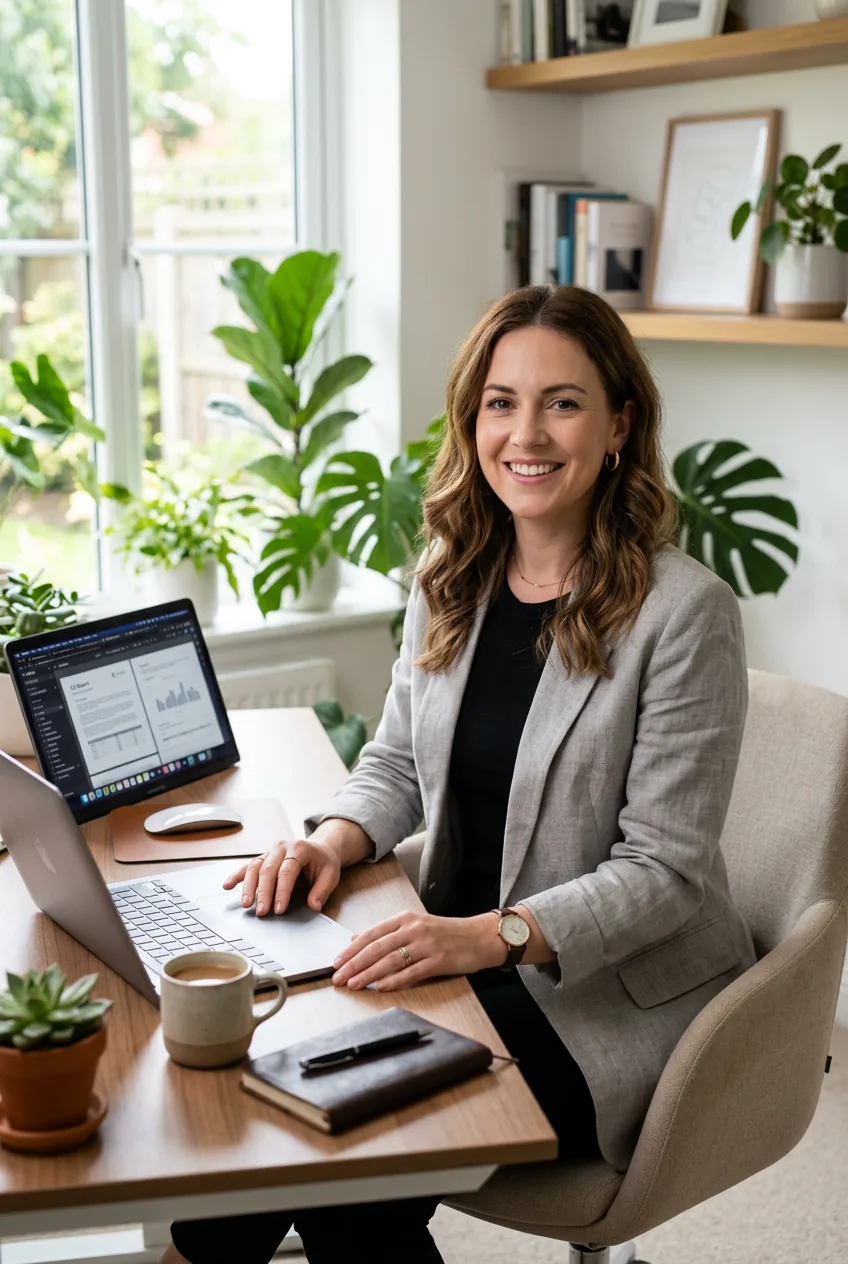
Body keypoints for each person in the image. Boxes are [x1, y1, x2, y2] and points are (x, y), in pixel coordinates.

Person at [163, 284, 756, 1264]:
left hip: (600, 991)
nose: (526, 431)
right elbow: (394, 756)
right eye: (499, 401)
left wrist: (485, 938)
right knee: (246, 1135)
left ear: (617, 424)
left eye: (561, 401)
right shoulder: (455, 568)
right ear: (470, 419)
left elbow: (664, 871)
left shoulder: (682, 613)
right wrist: (333, 839)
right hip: (449, 958)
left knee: (352, 1158)